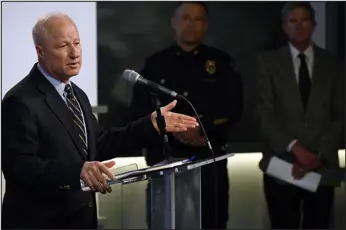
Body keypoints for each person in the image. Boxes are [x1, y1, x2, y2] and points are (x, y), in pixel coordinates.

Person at [1, 13, 200, 229]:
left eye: (77, 43)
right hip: (41, 222)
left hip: (80, 221)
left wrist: (150, 126)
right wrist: (77, 171)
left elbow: (98, 144)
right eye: (63, 46)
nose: (74, 52)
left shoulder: (77, 94)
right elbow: (19, 167)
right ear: (40, 51)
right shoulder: (20, 100)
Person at [130, 2, 243, 229]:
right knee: (164, 222)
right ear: (174, 22)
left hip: (209, 160)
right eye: (186, 18)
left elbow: (234, 109)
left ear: (206, 25)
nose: (192, 24)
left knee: (213, 221)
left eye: (198, 19)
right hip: (166, 159)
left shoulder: (222, 63)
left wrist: (201, 128)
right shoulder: (155, 65)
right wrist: (179, 130)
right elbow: (139, 112)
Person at [257, 2, 344, 229]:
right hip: (282, 167)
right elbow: (264, 115)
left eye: (304, 20)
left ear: (313, 25)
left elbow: (341, 115)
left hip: (322, 168)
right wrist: (296, 148)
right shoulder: (268, 63)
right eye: (292, 21)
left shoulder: (333, 63)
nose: (298, 26)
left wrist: (318, 155)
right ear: (284, 26)